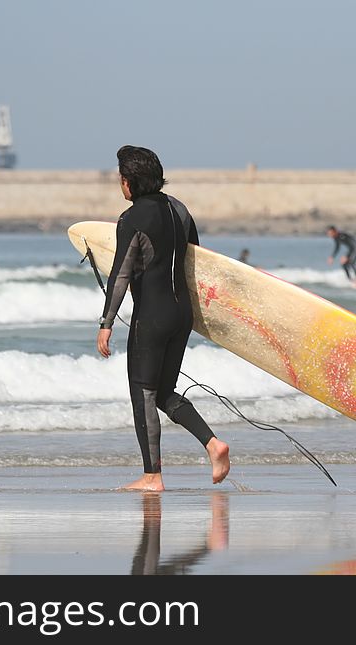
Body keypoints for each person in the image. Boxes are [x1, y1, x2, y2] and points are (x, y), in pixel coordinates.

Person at [96, 145, 230, 491]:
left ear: (130, 182)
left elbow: (120, 275)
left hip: (151, 318)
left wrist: (106, 323)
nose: (120, 185)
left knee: (142, 393)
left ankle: (152, 476)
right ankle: (213, 444)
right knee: (164, 392)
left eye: (121, 179)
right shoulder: (179, 209)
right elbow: (198, 260)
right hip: (181, 314)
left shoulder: (131, 219)